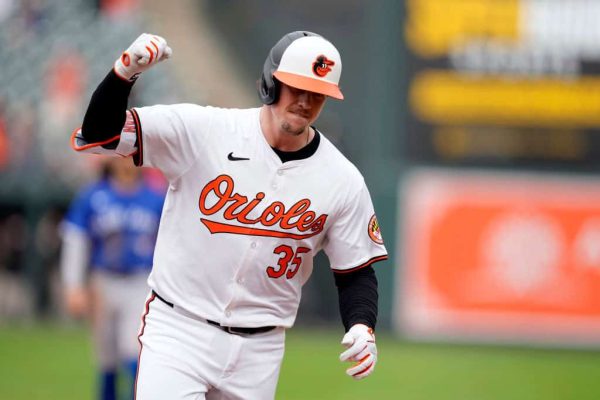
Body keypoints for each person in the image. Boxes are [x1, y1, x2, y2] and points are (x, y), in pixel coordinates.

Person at [70, 31, 388, 400]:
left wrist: (363, 325)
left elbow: (356, 271)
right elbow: (100, 134)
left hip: (260, 349)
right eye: (296, 88)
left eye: (318, 94)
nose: (305, 101)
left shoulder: (342, 178)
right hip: (179, 328)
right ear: (271, 82)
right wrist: (123, 74)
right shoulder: (204, 130)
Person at [60, 157, 165, 400]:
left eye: (131, 155)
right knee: (106, 356)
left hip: (140, 282)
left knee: (134, 349)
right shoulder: (93, 196)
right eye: (121, 155)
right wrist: (73, 286)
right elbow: (75, 240)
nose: (126, 162)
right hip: (103, 282)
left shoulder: (155, 197)